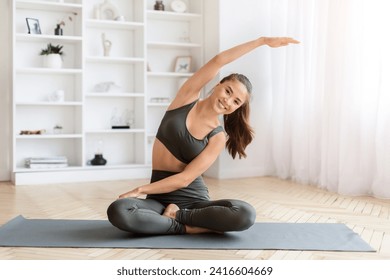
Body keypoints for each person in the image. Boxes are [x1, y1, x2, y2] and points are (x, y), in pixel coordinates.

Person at [107, 36, 299, 235]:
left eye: (235, 102)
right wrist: (262, 41)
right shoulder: (186, 98)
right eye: (228, 91)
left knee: (245, 213)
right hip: (158, 200)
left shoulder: (217, 137)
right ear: (217, 85)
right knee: (119, 210)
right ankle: (189, 228)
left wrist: (140, 190)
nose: (228, 101)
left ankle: (179, 219)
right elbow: (219, 60)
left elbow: (183, 180)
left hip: (193, 203)